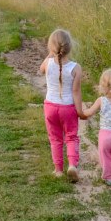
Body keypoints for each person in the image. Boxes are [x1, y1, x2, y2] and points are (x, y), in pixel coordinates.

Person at [39, 28, 84, 181]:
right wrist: (80, 111)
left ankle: (58, 170)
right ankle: (72, 165)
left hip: (50, 107)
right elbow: (76, 92)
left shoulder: (47, 62)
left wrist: (51, 54)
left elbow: (40, 70)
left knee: (55, 139)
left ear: (51, 47)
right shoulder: (75, 68)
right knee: (71, 137)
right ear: (69, 47)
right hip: (68, 108)